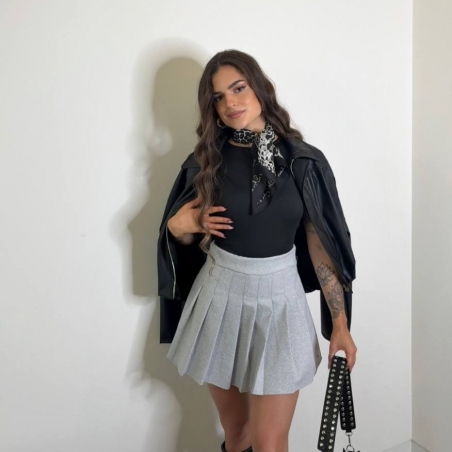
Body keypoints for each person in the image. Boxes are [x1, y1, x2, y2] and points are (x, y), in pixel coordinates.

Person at [157, 49, 357, 452]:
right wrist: (181, 226)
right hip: (219, 299)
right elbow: (178, 237)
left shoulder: (303, 162)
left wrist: (340, 324)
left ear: (260, 88)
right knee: (238, 434)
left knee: (269, 442)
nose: (230, 102)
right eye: (218, 96)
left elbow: (321, 246)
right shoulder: (205, 162)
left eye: (238, 88)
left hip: (280, 302)